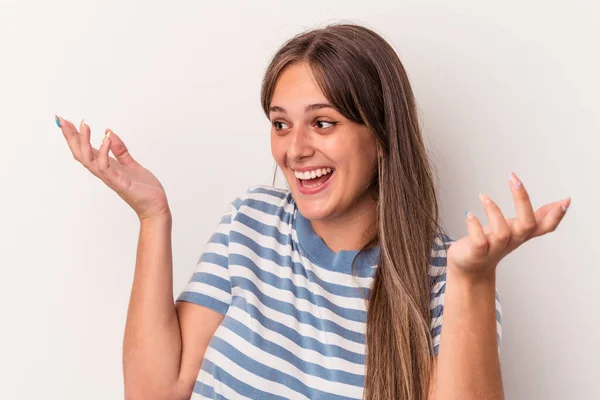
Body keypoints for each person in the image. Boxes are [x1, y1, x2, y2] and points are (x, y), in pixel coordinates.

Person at [55, 22, 571, 400]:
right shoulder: (251, 224)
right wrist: (153, 216)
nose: (294, 150)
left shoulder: (447, 280)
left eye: (322, 123)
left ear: (382, 135)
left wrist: (473, 282)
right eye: (281, 124)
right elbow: (154, 392)